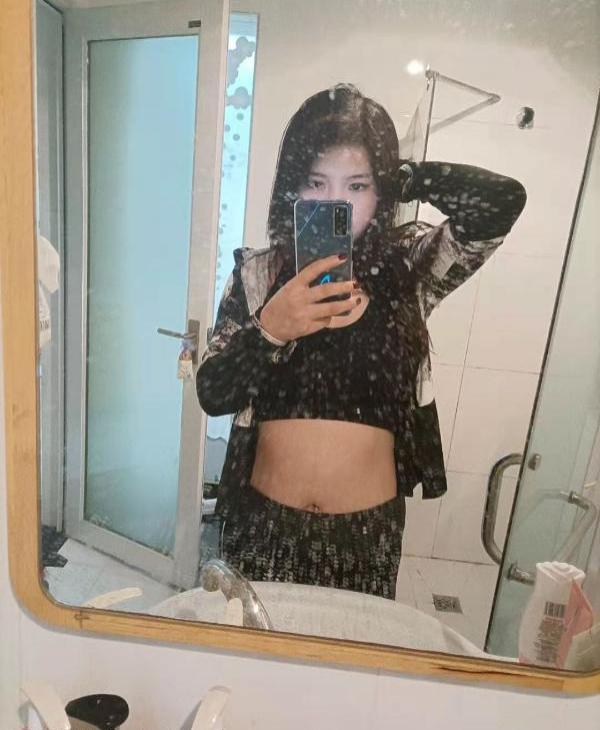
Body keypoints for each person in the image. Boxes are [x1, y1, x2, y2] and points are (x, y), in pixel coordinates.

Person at [196, 83, 526, 599]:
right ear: (292, 188)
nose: (336, 204)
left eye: (357, 186)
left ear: (380, 194)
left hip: (364, 536)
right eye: (316, 182)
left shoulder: (412, 271)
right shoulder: (256, 277)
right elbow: (213, 393)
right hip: (262, 525)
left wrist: (409, 177)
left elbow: (502, 202)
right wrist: (271, 328)